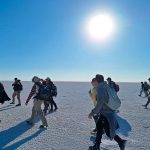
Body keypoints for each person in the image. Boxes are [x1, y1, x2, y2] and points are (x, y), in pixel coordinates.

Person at [88, 74, 126, 150]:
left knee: (105, 130)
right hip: (107, 112)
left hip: (106, 112)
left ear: (97, 80)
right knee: (101, 128)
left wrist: (92, 112)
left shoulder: (101, 88)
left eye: (95, 80)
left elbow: (100, 103)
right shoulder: (106, 86)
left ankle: (120, 142)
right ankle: (97, 146)